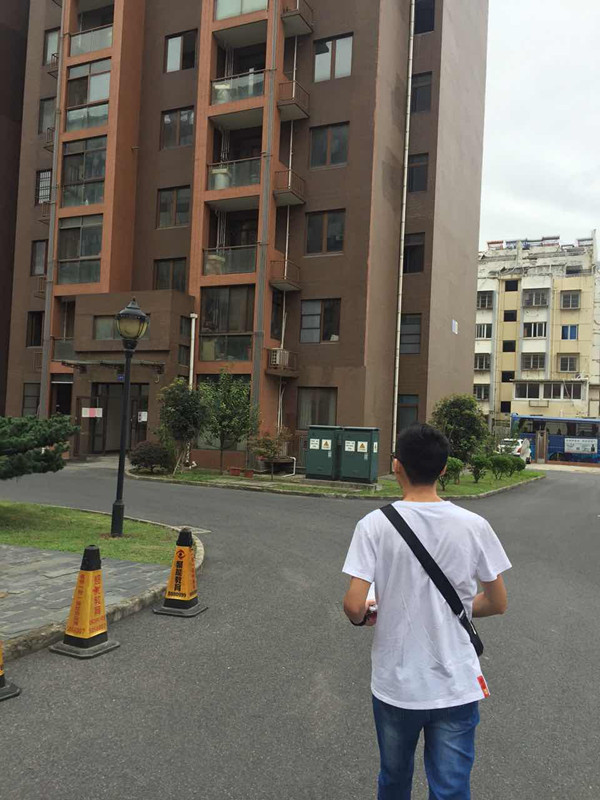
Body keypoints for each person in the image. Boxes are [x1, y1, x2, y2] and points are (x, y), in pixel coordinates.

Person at [342, 423, 511, 800]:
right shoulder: (475, 526)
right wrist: (457, 610)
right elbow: (497, 602)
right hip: (456, 684)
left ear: (397, 465)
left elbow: (354, 605)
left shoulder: (373, 526)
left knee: (394, 780)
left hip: (397, 685)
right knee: (451, 789)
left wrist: (366, 614)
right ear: (445, 468)